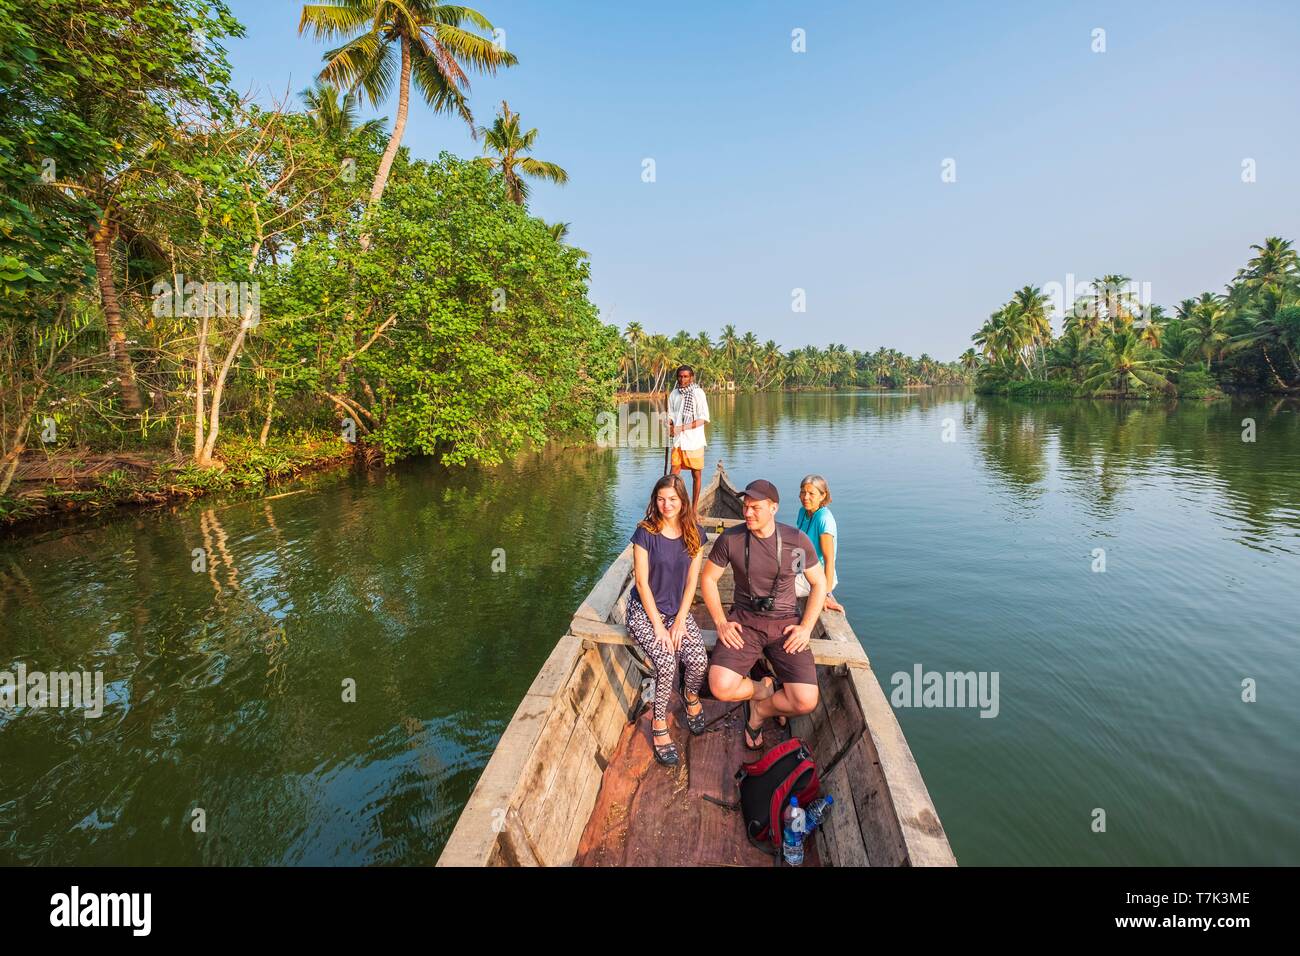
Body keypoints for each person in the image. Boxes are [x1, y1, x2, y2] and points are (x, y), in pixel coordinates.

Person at [700, 478, 827, 751]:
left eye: (755, 507)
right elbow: (708, 579)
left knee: (805, 700)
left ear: (774, 508)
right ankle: (763, 689)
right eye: (745, 507)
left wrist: (806, 627)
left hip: (786, 626)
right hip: (745, 621)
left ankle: (760, 712)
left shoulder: (795, 541)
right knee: (720, 687)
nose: (747, 513)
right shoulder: (731, 539)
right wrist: (721, 622)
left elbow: (819, 583)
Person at [625, 474, 712, 766]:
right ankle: (659, 723)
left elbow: (691, 583)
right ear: (655, 500)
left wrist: (679, 621)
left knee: (699, 659)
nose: (666, 504)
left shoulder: (694, 533)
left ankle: (690, 696)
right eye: (661, 499)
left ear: (683, 501)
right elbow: (641, 584)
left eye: (673, 499)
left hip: (678, 613)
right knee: (665, 662)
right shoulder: (645, 532)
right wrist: (660, 627)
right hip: (645, 612)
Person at [795, 474, 843, 612]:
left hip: (818, 577)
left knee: (775, 588)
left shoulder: (824, 519)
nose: (805, 497)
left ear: (823, 496)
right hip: (802, 569)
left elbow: (829, 560)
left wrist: (825, 594)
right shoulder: (803, 512)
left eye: (811, 493)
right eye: (803, 492)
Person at [666, 365, 710, 513]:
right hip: (678, 441)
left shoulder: (698, 393)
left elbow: (703, 419)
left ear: (691, 378)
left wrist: (681, 428)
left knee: (696, 475)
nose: (682, 379)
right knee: (673, 476)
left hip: (694, 441)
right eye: (680, 376)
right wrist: (670, 424)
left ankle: (694, 509)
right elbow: (671, 415)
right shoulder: (674, 394)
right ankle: (672, 507)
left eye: (686, 376)